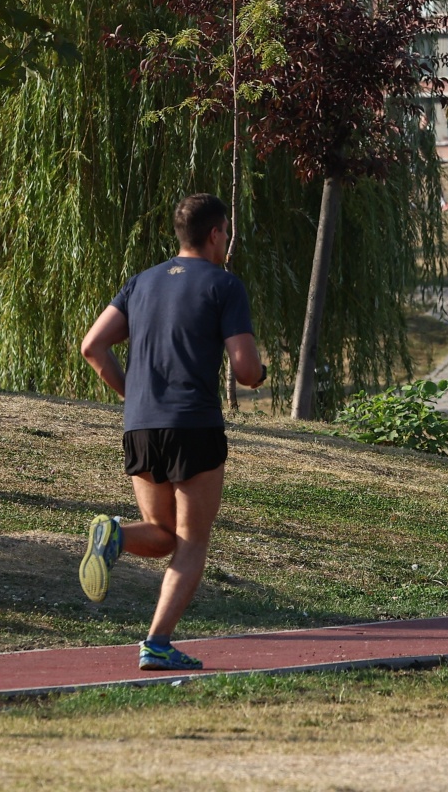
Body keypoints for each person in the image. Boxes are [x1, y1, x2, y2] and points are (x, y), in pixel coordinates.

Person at [77, 193, 265, 671]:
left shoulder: (140, 284)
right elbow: (245, 371)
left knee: (161, 537)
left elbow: (93, 346)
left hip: (141, 426)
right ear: (217, 233)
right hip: (194, 427)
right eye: (227, 233)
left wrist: (132, 395)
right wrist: (261, 374)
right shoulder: (224, 285)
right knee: (191, 541)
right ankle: (157, 645)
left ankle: (115, 535)